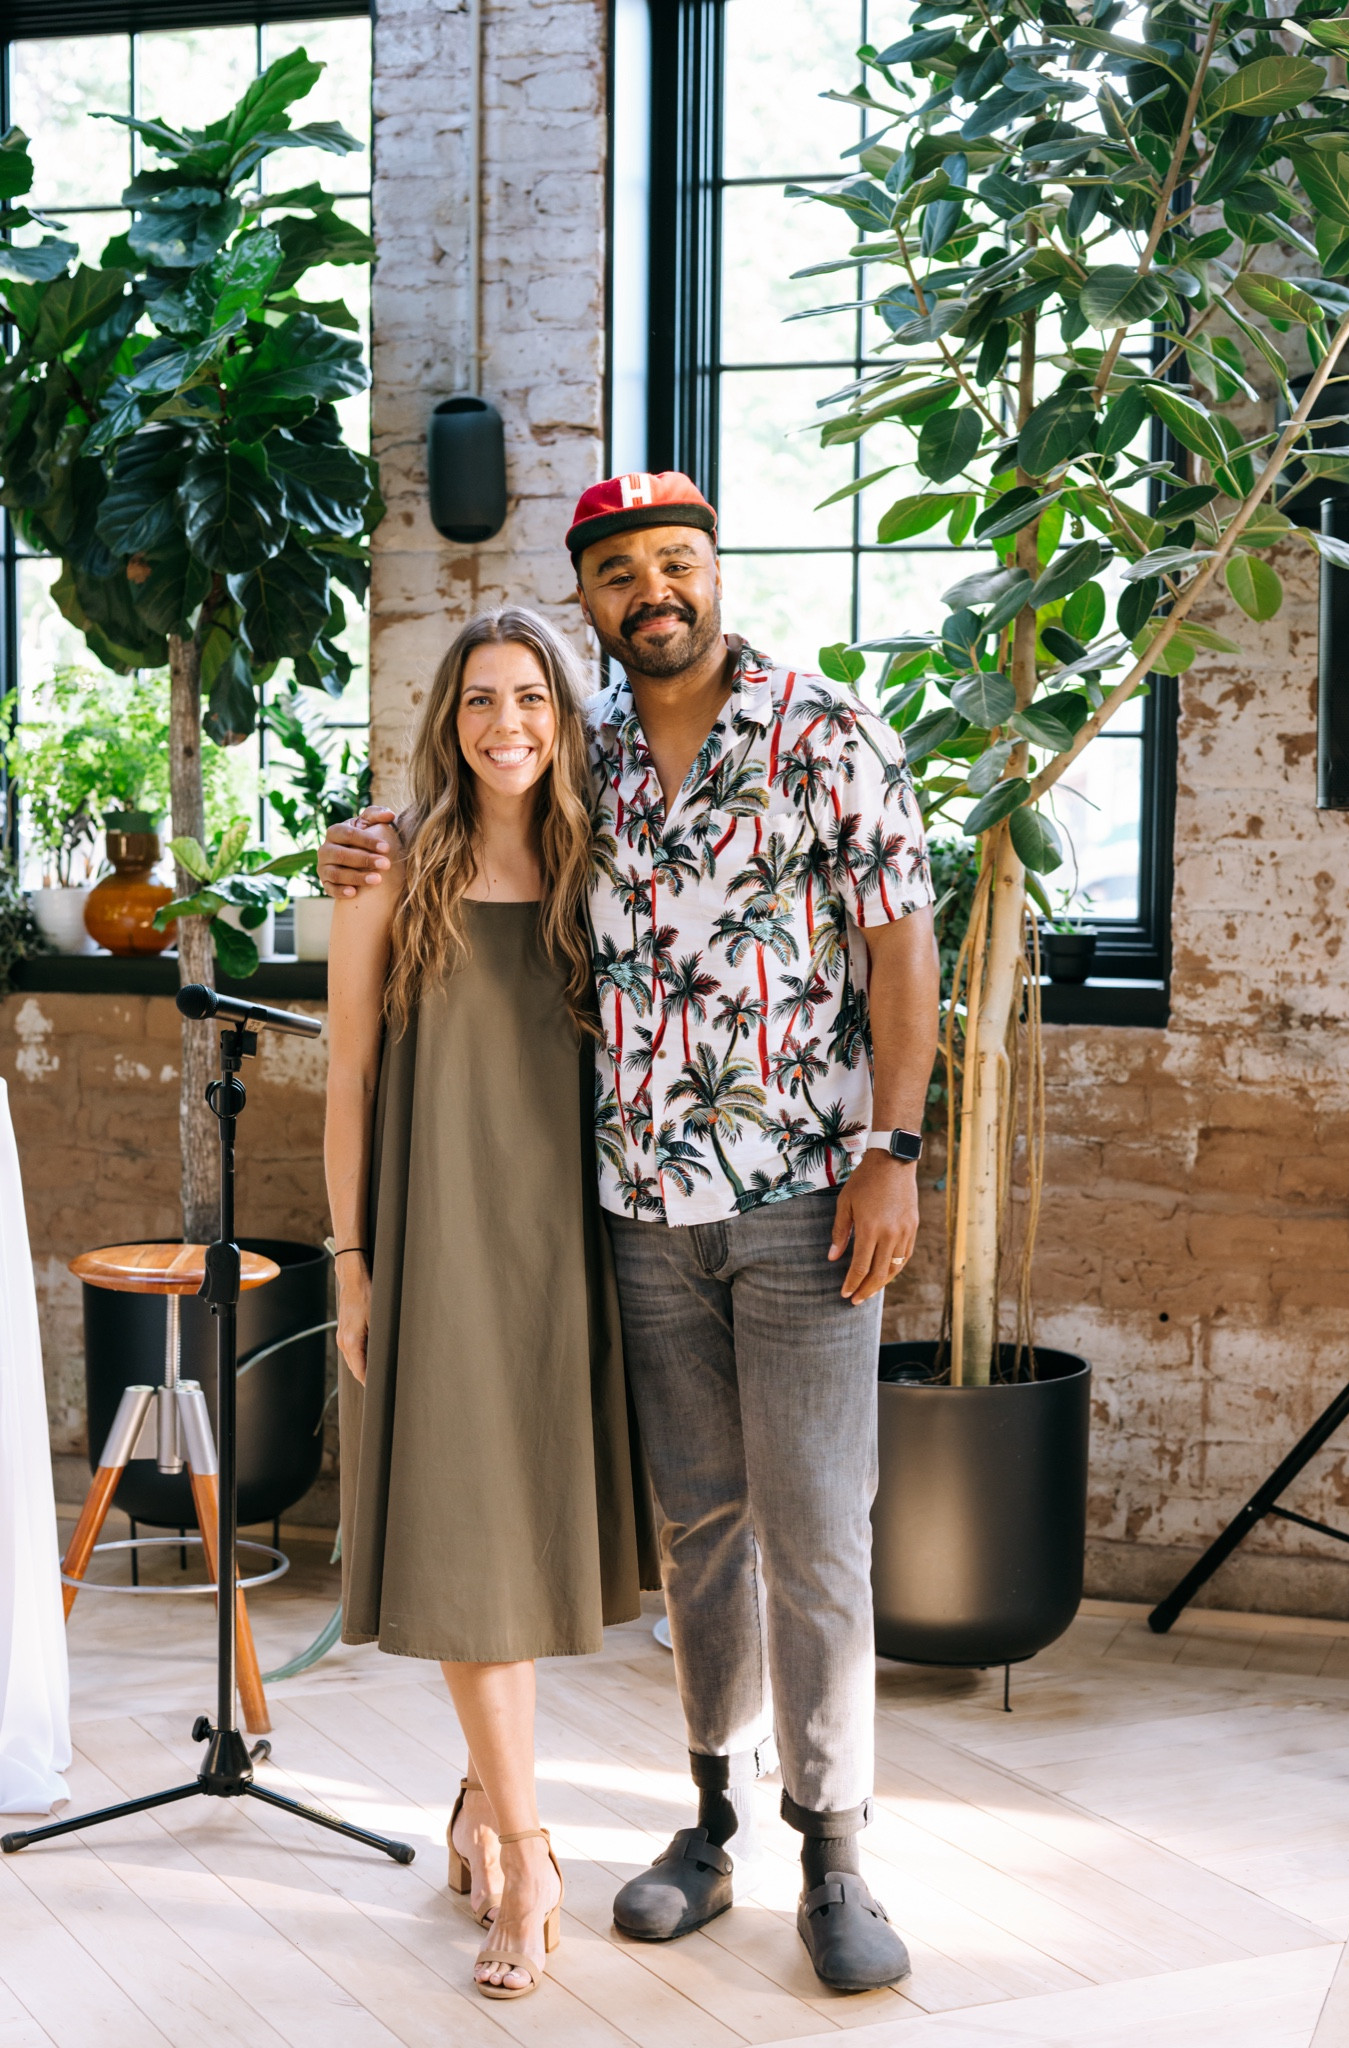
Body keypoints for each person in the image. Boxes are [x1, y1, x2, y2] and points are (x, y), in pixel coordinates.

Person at [320, 471, 940, 1995]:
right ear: (590, 597)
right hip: (640, 1212)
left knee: (817, 1529)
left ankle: (835, 1852)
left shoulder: (824, 731)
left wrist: (893, 1151)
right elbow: (475, 799)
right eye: (619, 571)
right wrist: (363, 845)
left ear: (717, 570)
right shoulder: (590, 750)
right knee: (701, 1535)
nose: (651, 589)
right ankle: (710, 1828)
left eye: (677, 561)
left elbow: (901, 946)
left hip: (805, 1195)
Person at [324, 606, 655, 2004]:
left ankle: (475, 1796)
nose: (504, 723)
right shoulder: (388, 866)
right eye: (477, 701)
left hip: (573, 1248)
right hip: (439, 1237)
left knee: (521, 1547)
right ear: (445, 721)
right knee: (465, 1544)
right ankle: (528, 1853)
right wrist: (353, 1262)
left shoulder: (610, 863)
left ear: (566, 717)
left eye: (529, 698)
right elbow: (343, 1079)